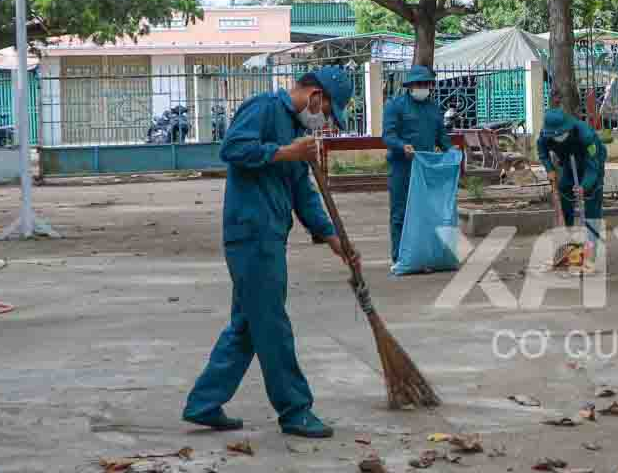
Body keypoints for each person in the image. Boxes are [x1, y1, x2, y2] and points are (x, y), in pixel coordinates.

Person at [182, 67, 359, 439]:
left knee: (248, 324)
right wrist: (283, 152)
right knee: (272, 324)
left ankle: (204, 403)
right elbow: (231, 148)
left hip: (270, 234)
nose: (324, 121)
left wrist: (331, 237)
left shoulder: (297, 132)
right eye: (326, 112)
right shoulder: (263, 109)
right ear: (315, 96)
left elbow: (303, 193)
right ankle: (295, 410)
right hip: (251, 234)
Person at [381, 65, 450, 265]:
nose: (423, 87)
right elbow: (388, 136)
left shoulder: (433, 109)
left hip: (426, 168)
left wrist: (452, 152)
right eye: (419, 84)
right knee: (400, 213)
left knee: (427, 213)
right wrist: (403, 146)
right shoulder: (396, 106)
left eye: (426, 84)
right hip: (402, 167)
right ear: (410, 86)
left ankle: (423, 255)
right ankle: (399, 257)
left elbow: (442, 138)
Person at [536, 107, 605, 228]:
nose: (558, 139)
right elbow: (542, 152)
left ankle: (592, 241)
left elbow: (592, 168)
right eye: (554, 136)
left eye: (561, 135)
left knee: (592, 195)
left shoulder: (586, 136)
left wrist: (584, 186)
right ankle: (568, 235)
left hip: (592, 160)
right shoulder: (546, 135)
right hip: (569, 161)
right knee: (565, 191)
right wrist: (549, 169)